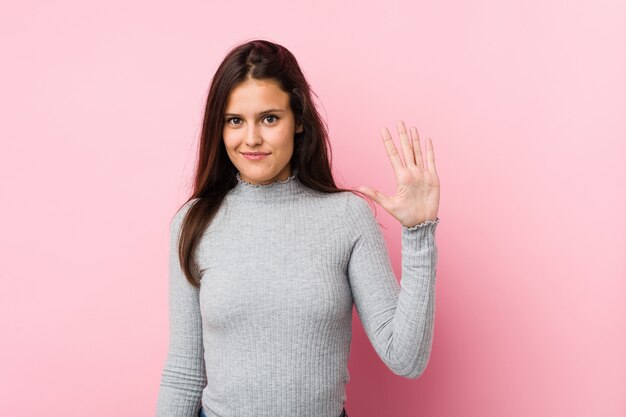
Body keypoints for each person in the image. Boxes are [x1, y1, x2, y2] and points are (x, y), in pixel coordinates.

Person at [155, 39, 441, 417]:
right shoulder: (193, 223)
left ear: (299, 120)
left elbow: (406, 358)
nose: (251, 138)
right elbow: (184, 373)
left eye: (270, 118)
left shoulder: (347, 217)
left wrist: (419, 234)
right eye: (235, 120)